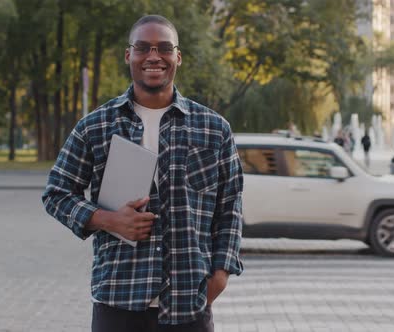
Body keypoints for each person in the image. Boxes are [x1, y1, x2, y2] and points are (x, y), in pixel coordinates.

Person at [42, 15, 243, 332]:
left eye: (164, 48)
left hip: (189, 302)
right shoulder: (95, 127)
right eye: (143, 48)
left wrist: (221, 274)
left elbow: (230, 205)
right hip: (119, 299)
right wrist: (107, 219)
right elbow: (56, 194)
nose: (153, 56)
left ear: (177, 56)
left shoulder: (214, 129)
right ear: (129, 55)